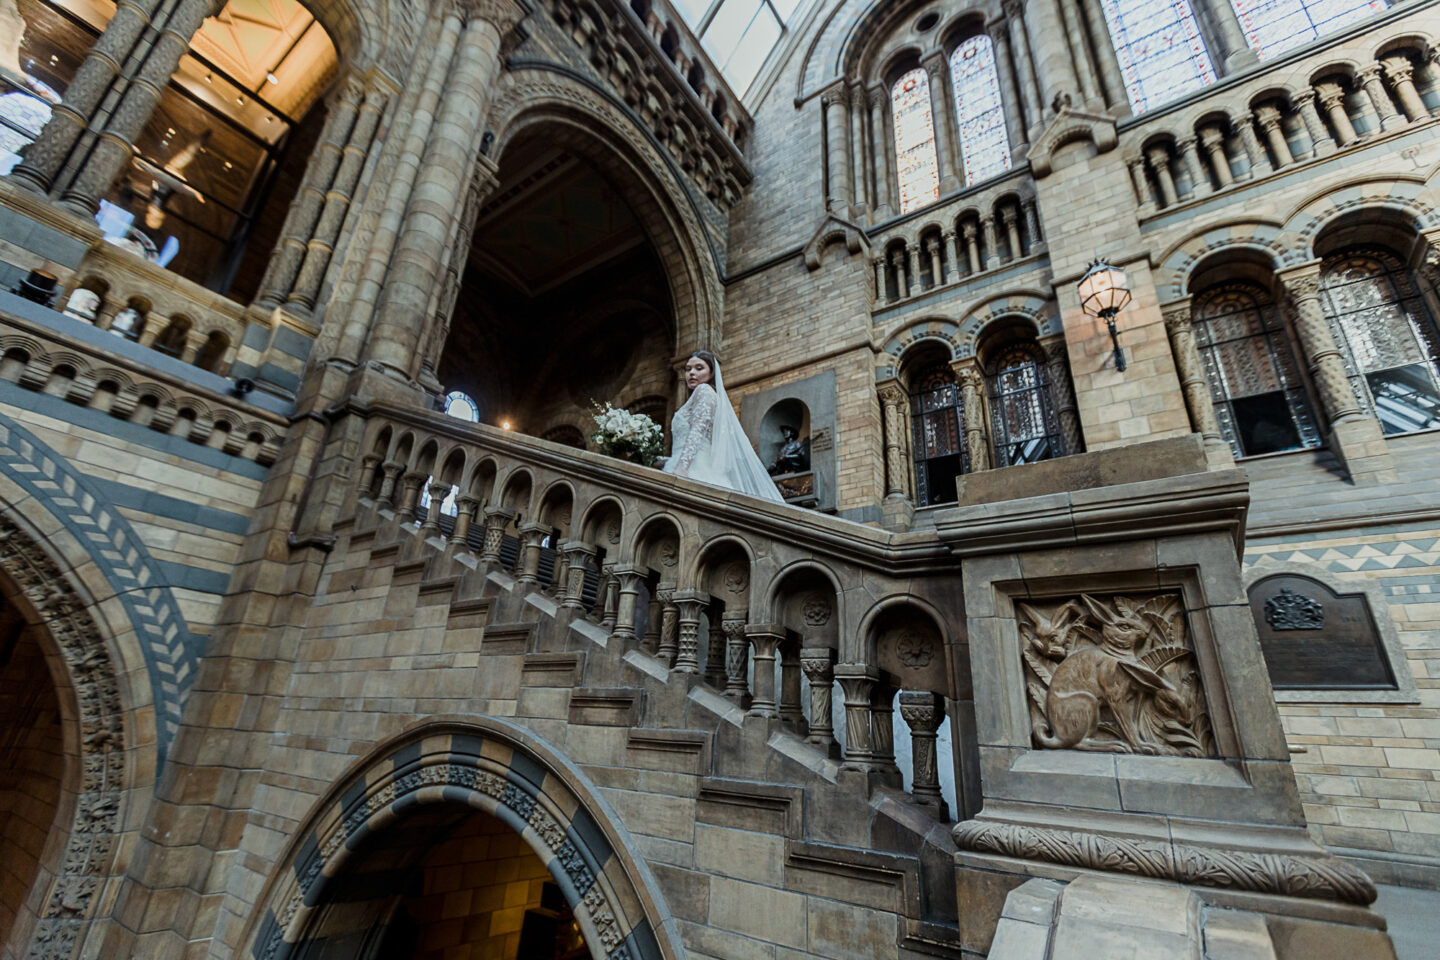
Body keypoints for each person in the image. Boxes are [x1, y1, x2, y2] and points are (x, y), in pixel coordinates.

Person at [657, 351, 785, 503]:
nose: (692, 373)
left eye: (699, 368)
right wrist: (669, 460)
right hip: (689, 463)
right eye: (688, 369)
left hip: (692, 469)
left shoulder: (704, 391)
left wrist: (681, 468)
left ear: (711, 372)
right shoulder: (699, 397)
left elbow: (697, 432)